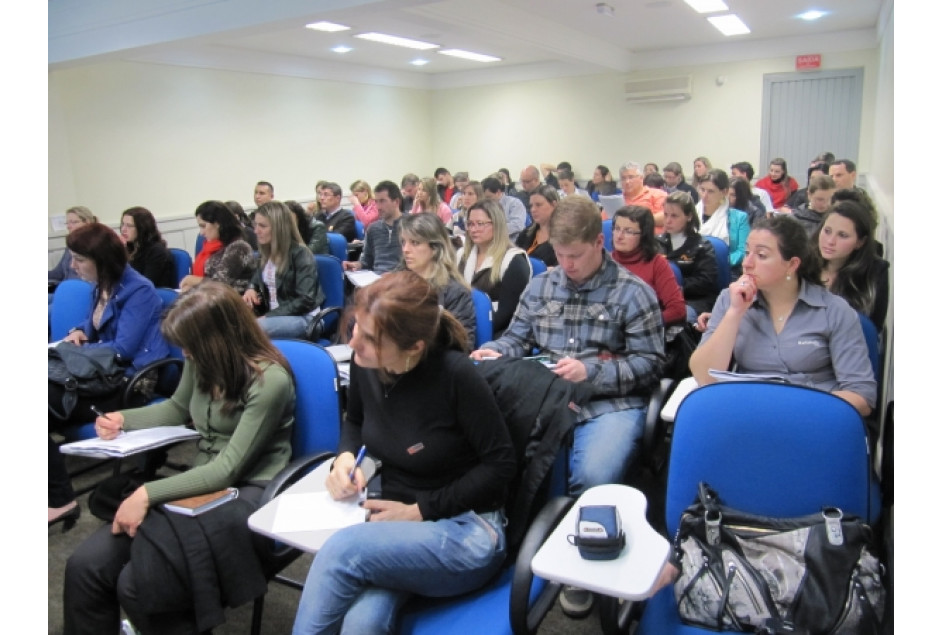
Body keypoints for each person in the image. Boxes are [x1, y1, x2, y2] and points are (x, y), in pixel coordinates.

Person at [470, 195, 665, 618]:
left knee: (593, 474)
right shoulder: (543, 284)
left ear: (599, 242)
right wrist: (495, 351)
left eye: (575, 255)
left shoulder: (634, 292)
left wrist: (592, 372)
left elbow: (651, 364)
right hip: (547, 394)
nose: (567, 264)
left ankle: (583, 567)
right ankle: (505, 544)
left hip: (609, 403)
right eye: (560, 255)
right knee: (490, 451)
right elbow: (518, 338)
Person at [64, 281, 296, 634]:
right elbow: (176, 408)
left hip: (246, 489)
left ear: (218, 340)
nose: (185, 353)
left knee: (140, 585)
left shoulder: (270, 381)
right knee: (85, 567)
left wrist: (147, 494)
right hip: (200, 480)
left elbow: (227, 470)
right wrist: (123, 418)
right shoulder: (203, 359)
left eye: (190, 346)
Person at [290, 271, 515, 635]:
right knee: (362, 624)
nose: (353, 343)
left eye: (369, 338)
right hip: (397, 524)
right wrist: (345, 458)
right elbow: (356, 421)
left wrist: (420, 510)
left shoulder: (455, 375)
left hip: (467, 528)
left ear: (414, 348)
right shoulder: (365, 364)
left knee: (341, 551)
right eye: (355, 328)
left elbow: (501, 466)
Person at [691, 215, 876, 420]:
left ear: (792, 264)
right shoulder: (730, 299)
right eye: (747, 252)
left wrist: (791, 409)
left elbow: (862, 396)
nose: (747, 263)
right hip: (751, 414)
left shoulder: (834, 310)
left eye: (761, 255)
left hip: (815, 418)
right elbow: (704, 377)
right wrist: (735, 313)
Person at [49, 222, 170, 529]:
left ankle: (60, 499)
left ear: (102, 260)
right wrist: (78, 332)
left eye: (80, 260)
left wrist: (76, 351)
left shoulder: (139, 289)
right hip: (100, 374)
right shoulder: (102, 285)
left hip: (129, 381)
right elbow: (94, 327)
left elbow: (122, 350)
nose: (73, 266)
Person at [243, 201, 325, 339]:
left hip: (304, 318)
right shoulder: (266, 253)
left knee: (252, 329)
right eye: (255, 225)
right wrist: (251, 288)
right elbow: (257, 277)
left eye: (262, 226)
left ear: (279, 228)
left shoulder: (301, 254)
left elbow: (306, 300)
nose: (256, 231)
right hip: (276, 316)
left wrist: (270, 316)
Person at [397, 213, 476, 349]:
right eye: (403, 242)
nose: (405, 250)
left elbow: (462, 345)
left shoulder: (455, 292)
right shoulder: (398, 283)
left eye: (415, 243)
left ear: (435, 248)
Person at [457, 200, 531, 337]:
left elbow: (507, 315)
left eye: (480, 224)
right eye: (470, 224)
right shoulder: (461, 255)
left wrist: (465, 331)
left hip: (497, 333)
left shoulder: (514, 261)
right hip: (463, 326)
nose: (473, 229)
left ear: (497, 225)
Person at [813, 198, 890, 331]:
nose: (830, 241)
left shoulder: (875, 272)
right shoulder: (802, 263)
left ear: (860, 242)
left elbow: (872, 330)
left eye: (842, 235)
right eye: (827, 231)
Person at [610, 205, 686, 326]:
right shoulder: (604, 261)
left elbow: (677, 310)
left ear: (643, 235)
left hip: (642, 329)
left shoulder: (657, 263)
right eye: (617, 228)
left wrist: (644, 324)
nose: (619, 236)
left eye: (628, 231)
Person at [657, 191, 719, 322]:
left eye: (674, 216)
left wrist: (673, 287)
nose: (668, 220)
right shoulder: (656, 243)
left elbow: (705, 281)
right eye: (666, 214)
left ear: (689, 216)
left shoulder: (702, 246)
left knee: (675, 321)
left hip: (692, 300)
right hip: (660, 298)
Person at [180, 200, 256, 293]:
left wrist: (193, 281)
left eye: (203, 226)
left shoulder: (239, 248)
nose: (201, 233)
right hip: (208, 296)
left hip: (230, 299)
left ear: (218, 224)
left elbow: (219, 283)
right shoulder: (209, 246)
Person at [697, 169, 750, 277]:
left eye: (711, 191)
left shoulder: (739, 218)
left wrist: (720, 262)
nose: (704, 195)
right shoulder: (690, 214)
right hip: (694, 268)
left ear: (724, 192)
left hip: (725, 269)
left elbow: (742, 251)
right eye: (702, 190)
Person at [344, 180, 405, 276]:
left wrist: (396, 275)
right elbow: (367, 260)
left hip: (403, 279)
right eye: (376, 201)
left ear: (396, 202)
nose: (378, 207)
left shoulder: (412, 226)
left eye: (382, 201)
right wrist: (357, 265)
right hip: (377, 278)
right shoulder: (373, 229)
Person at [119, 206, 177, 289]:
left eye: (129, 226)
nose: (123, 229)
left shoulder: (156, 251)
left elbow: (145, 285)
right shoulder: (130, 248)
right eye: (122, 224)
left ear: (142, 228)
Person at [50, 205, 97, 291]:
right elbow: (58, 273)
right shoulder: (71, 245)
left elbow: (93, 279)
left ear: (87, 223)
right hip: (63, 289)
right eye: (67, 223)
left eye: (73, 222)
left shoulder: (95, 245)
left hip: (79, 291)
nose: (68, 226)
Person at [515, 184, 560, 267]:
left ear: (554, 205)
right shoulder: (526, 233)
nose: (533, 210)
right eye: (531, 206)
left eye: (538, 205)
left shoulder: (565, 237)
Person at [619, 161, 667, 228]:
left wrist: (634, 221)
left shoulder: (658, 194)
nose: (627, 181)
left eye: (631, 177)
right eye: (623, 178)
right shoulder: (617, 199)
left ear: (641, 178)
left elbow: (665, 217)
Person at [481, 175, 528, 242]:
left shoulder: (514, 203)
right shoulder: (484, 205)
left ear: (498, 192)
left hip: (511, 242)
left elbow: (517, 225)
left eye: (489, 197)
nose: (486, 200)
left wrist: (493, 230)